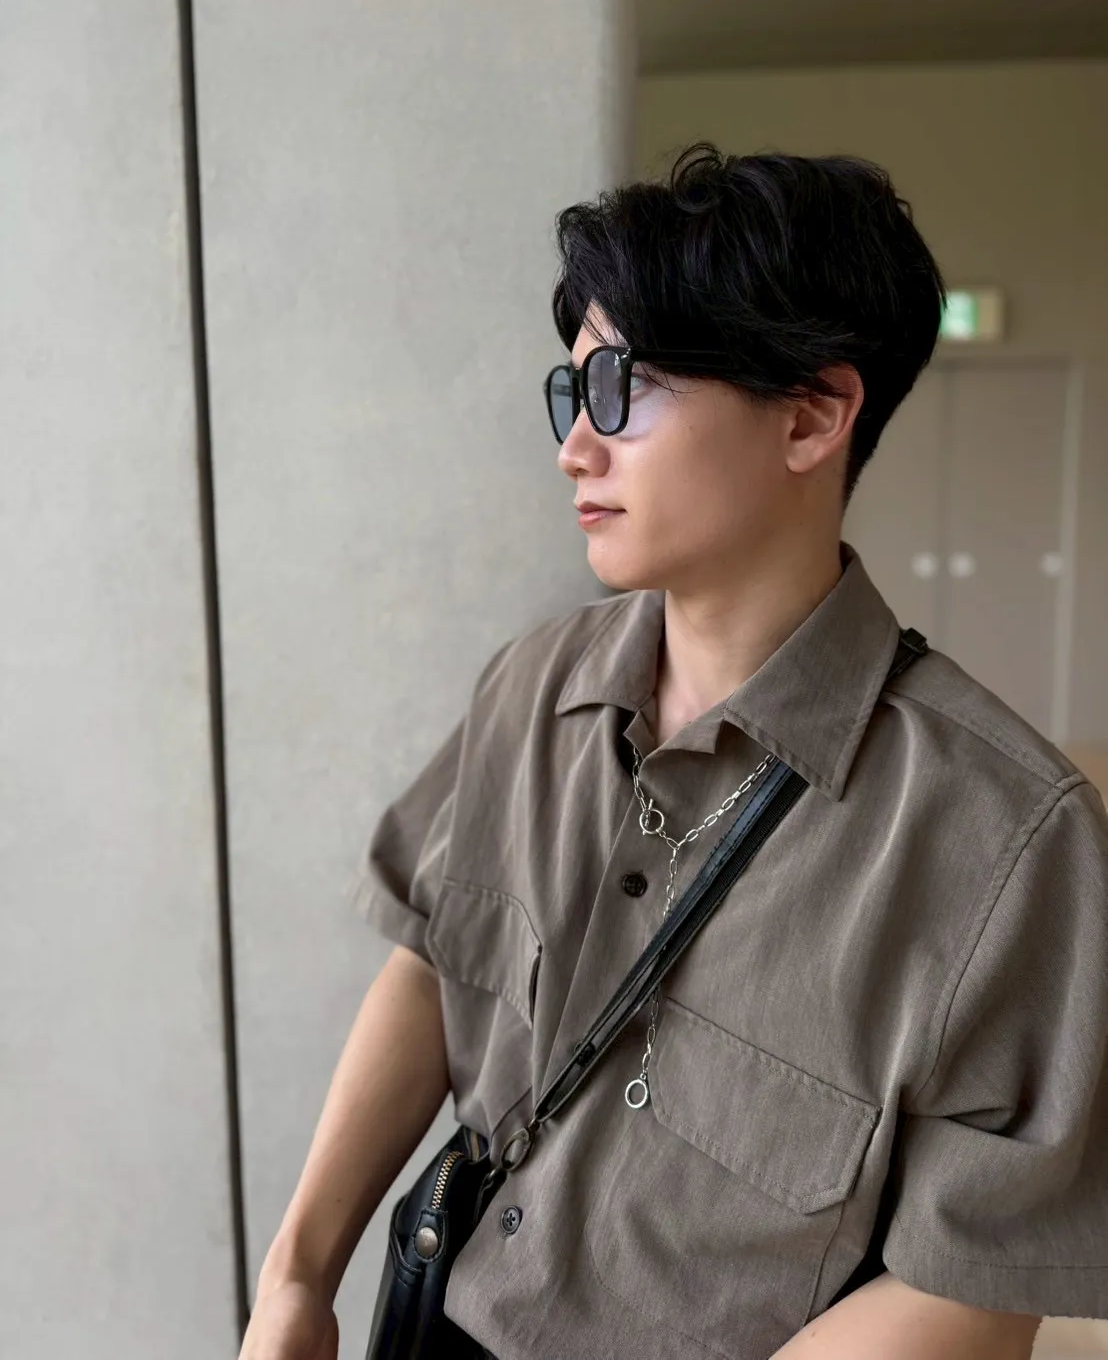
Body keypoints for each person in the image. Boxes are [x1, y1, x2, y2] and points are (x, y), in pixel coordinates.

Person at [239, 144, 1108, 1360]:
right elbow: (437, 961)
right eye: (571, 391)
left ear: (812, 415)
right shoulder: (531, 688)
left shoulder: (1006, 837)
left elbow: (966, 1285)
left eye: (625, 389)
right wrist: (296, 1276)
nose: (573, 448)